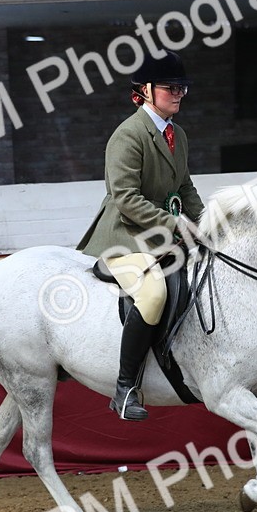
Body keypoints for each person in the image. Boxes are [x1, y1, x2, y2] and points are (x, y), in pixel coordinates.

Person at [77, 50, 206, 421]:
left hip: (164, 238)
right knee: (152, 294)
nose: (178, 93)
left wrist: (208, 223)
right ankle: (126, 388)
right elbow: (127, 199)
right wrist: (176, 224)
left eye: (182, 87)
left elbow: (185, 186)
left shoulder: (176, 134)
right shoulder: (128, 135)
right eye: (170, 87)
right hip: (124, 237)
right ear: (146, 91)